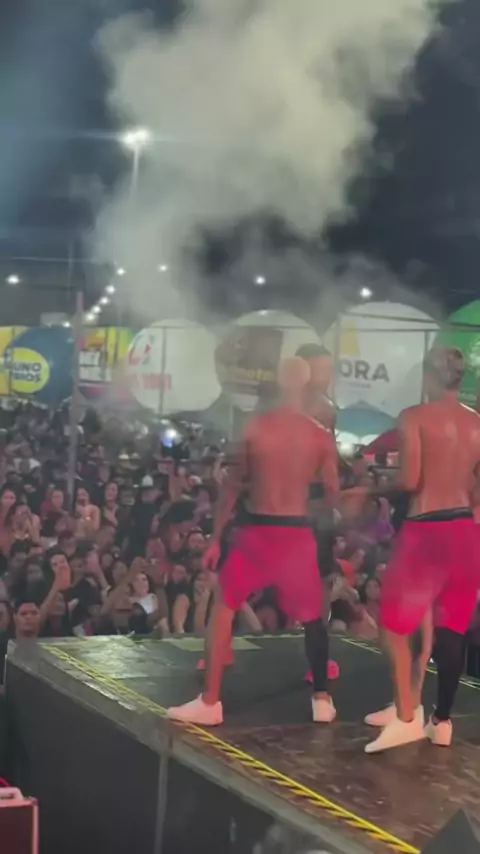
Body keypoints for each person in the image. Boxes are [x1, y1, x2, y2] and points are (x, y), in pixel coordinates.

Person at [167, 357, 340, 726]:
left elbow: (232, 486)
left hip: (257, 533)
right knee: (312, 616)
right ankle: (322, 698)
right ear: (306, 385)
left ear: (278, 380)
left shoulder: (255, 428)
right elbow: (331, 494)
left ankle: (211, 701)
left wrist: (216, 538)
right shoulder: (319, 435)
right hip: (295, 533)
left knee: (224, 608)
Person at [364, 347, 480, 753]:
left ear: (430, 376)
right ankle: (440, 720)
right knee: (452, 629)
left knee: (393, 626)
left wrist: (372, 489)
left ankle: (406, 716)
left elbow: (411, 480)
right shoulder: (477, 423)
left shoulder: (413, 417)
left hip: (426, 531)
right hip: (465, 532)